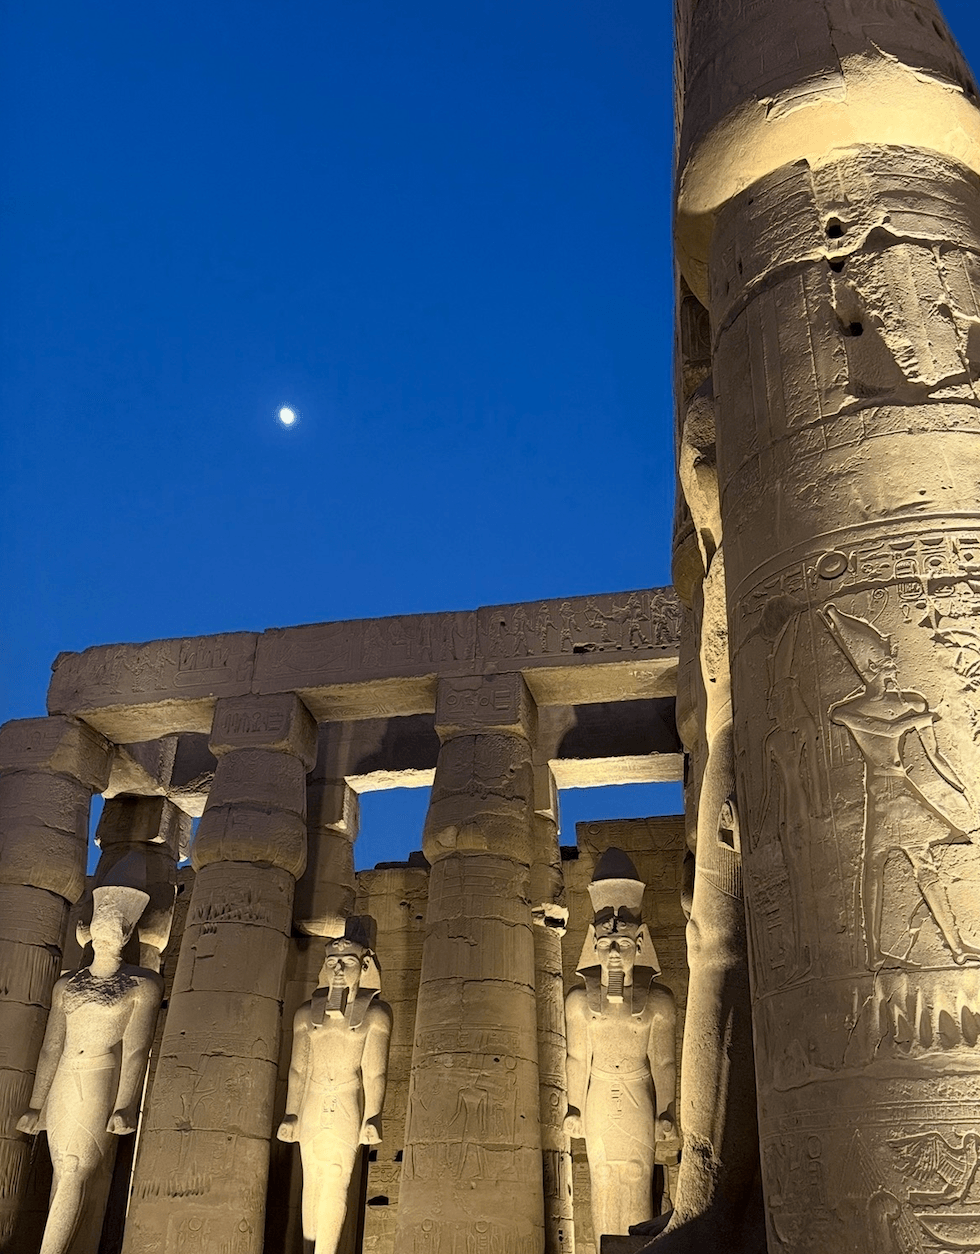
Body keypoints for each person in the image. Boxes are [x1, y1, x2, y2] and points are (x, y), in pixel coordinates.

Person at [822, 604, 980, 967]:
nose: (894, 664)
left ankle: (955, 946)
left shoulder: (911, 701)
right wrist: (919, 718)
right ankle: (875, 951)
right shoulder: (848, 711)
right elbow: (889, 731)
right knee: (875, 865)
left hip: (901, 789)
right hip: (881, 794)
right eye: (886, 660)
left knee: (921, 864)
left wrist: (962, 788)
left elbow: (935, 756)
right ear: (870, 667)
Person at [18, 885, 162, 1254]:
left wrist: (125, 1104)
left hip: (101, 1075)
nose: (105, 930)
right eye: (101, 922)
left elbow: (135, 1049)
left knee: (74, 1168)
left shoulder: (142, 984)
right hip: (65, 1074)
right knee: (59, 1168)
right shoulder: (68, 983)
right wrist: (37, 1104)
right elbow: (51, 1046)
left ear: (127, 933)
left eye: (115, 925)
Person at [563, 849, 678, 1242]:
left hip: (636, 1092)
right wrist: (574, 1106)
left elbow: (663, 1062)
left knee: (636, 1173)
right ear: (593, 944)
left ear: (640, 942)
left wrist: (666, 1110)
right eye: (606, 944)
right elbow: (577, 1057)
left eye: (623, 944)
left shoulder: (657, 1001)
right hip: (597, 1093)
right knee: (601, 1175)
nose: (614, 954)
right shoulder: (579, 1002)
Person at [277, 931, 392, 1254]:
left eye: (348, 962)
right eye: (332, 963)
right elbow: (298, 1070)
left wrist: (373, 1115)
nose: (339, 970)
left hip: (345, 1101)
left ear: (364, 966)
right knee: (312, 1178)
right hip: (312, 1101)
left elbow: (374, 1071)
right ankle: (307, 1248)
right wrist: (291, 1113)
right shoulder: (305, 1014)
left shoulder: (374, 1014)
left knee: (336, 1178)